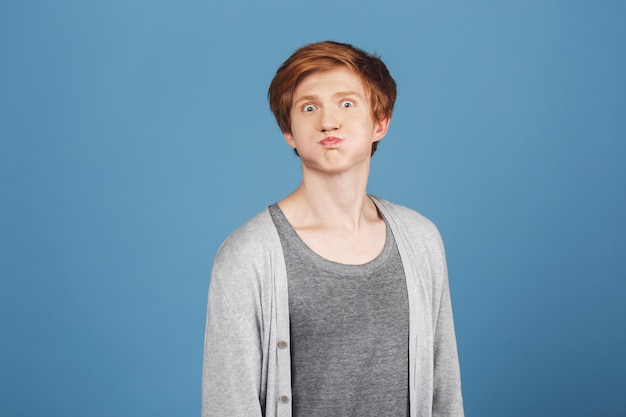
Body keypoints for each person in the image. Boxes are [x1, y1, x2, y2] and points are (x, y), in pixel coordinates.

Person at [202, 40, 464, 417]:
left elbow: (445, 393)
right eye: (309, 107)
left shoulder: (421, 240)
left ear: (380, 122)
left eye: (346, 103)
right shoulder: (248, 256)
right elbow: (227, 404)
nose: (328, 121)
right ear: (288, 131)